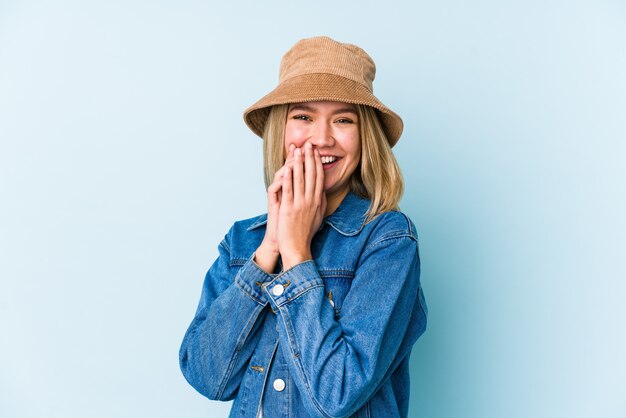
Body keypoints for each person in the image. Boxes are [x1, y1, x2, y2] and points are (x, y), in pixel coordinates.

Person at [179, 36, 427, 418]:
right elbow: (208, 378)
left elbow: (337, 394)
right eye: (303, 117)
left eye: (344, 120)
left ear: (366, 140)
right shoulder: (242, 242)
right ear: (281, 131)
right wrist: (270, 249)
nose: (322, 138)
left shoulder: (388, 239)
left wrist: (296, 256)